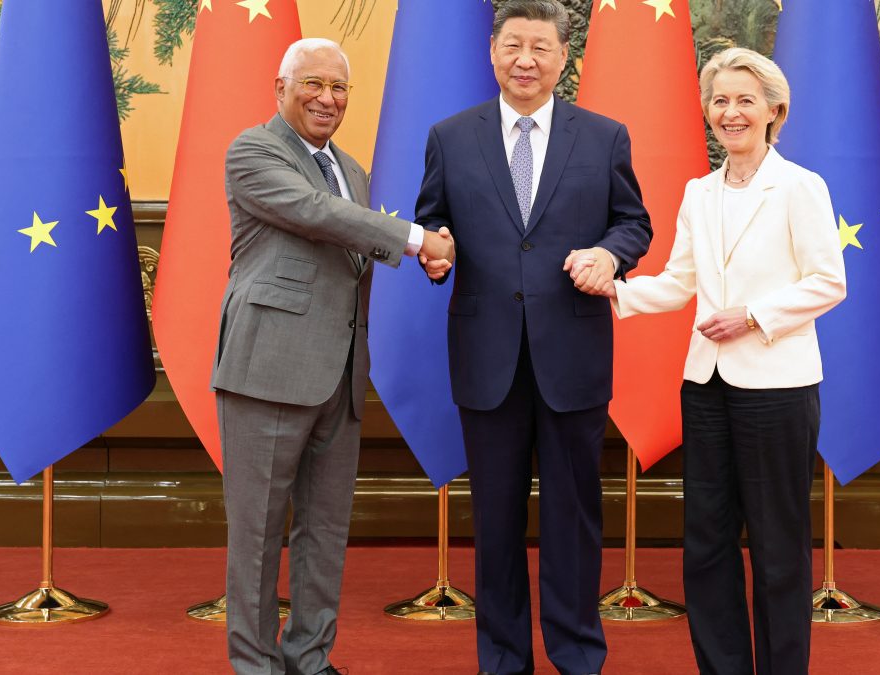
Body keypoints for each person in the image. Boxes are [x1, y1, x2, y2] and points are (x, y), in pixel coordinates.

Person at [582, 47, 846, 674]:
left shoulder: (801, 186)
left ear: (775, 111)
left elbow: (828, 282)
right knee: (705, 544)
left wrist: (753, 317)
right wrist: (611, 288)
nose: (731, 112)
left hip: (777, 389)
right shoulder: (699, 192)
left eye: (745, 100)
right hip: (705, 385)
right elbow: (680, 282)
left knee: (778, 547)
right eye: (720, 101)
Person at [414, 1, 652, 672]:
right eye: (513, 45)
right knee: (495, 518)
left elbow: (633, 223)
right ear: (492, 51)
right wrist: (436, 253)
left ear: (563, 57)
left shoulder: (603, 136)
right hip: (486, 356)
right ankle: (503, 658)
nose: (525, 60)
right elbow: (433, 221)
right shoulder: (450, 137)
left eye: (540, 47)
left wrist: (609, 254)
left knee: (573, 516)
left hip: (572, 354)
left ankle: (577, 655)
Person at [211, 38, 454, 675]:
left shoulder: (351, 168)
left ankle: (310, 659)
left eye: (339, 87)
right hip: (267, 370)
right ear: (281, 89)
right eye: (313, 84)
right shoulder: (254, 150)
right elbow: (314, 213)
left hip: (340, 373)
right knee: (258, 534)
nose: (327, 98)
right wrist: (417, 239)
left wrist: (427, 256)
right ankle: (256, 666)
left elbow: (350, 244)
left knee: (324, 530)